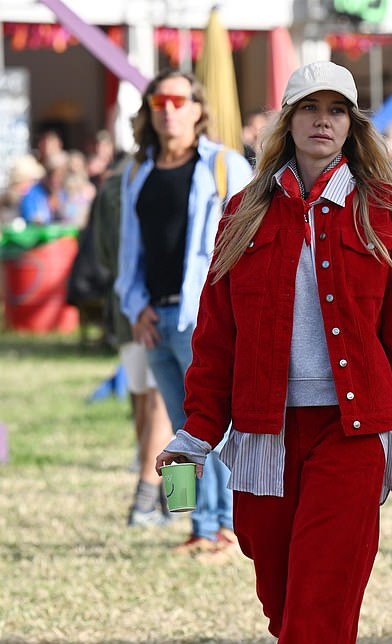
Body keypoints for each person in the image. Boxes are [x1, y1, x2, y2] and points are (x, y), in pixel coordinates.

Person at [155, 60, 392, 644]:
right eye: (308, 108)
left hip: (354, 435)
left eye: (337, 110)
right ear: (285, 121)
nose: (323, 121)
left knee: (320, 595)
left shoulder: (389, 213)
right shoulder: (244, 212)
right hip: (262, 434)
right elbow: (215, 338)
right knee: (284, 601)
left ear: (353, 125)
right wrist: (195, 432)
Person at [115, 68, 253, 556]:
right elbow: (130, 251)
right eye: (158, 102)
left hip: (203, 318)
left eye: (177, 100)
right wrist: (134, 305)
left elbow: (249, 242)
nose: (168, 110)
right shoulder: (138, 171)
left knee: (206, 427)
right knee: (180, 435)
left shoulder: (225, 165)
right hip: (153, 317)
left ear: (198, 109)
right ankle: (195, 525)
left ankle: (222, 526)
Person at [93, 156, 174, 525]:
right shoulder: (159, 176)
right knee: (169, 407)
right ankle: (159, 499)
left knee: (146, 400)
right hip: (158, 307)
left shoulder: (112, 183)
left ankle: (161, 498)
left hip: (126, 308)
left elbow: (103, 253)